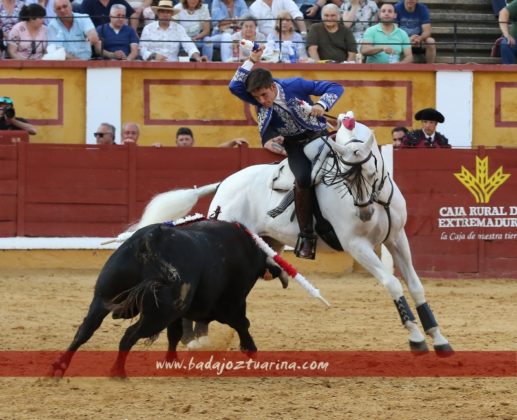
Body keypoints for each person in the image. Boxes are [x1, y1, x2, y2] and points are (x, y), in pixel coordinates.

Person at [228, 45, 344, 259]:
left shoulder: (295, 85)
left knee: (348, 166)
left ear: (272, 87)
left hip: (319, 135)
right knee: (302, 179)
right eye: (257, 98)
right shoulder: (257, 96)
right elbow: (234, 86)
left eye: (264, 95)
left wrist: (322, 105)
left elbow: (335, 87)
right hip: (295, 145)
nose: (261, 101)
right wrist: (251, 60)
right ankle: (307, 236)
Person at [140, 0, 207, 62]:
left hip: (173, 65)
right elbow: (142, 49)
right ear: (158, 13)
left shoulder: (179, 28)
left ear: (172, 14)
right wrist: (154, 56)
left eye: (168, 12)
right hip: (152, 65)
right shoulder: (148, 28)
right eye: (162, 12)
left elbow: (189, 45)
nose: (165, 15)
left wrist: (197, 57)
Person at [175, 126, 249, 148]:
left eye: (187, 139)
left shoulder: (198, 154)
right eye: (181, 140)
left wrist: (233, 142)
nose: (184, 142)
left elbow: (219, 149)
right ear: (176, 142)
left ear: (193, 141)